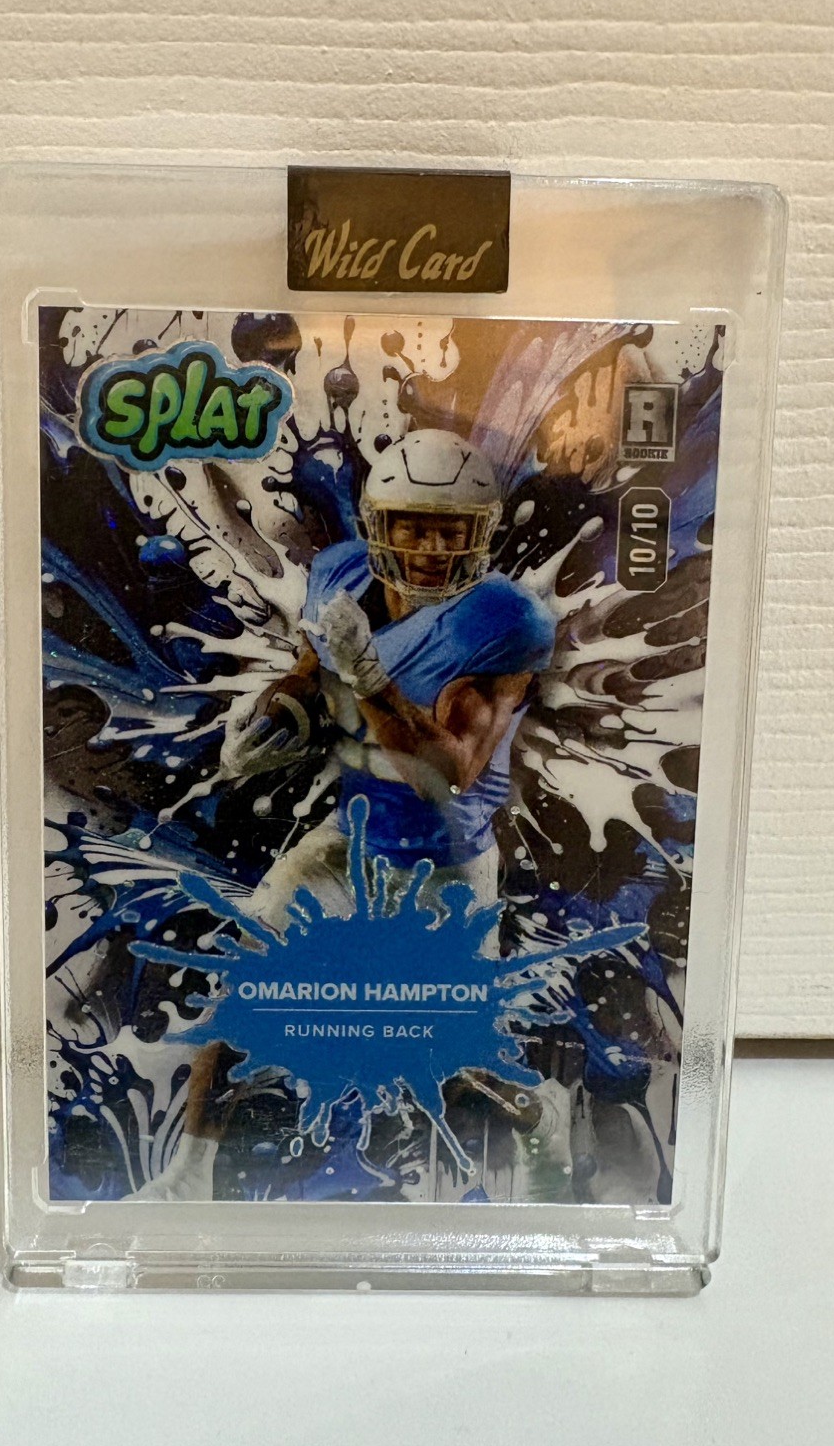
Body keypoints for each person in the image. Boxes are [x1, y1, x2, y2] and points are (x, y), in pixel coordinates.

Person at [138, 430, 558, 1199]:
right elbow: (310, 671)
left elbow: (449, 772)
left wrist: (368, 678)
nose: (430, 549)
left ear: (481, 534)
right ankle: (186, 1177)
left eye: (450, 530)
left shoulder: (502, 618)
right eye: (412, 527)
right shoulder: (341, 574)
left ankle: (537, 1122)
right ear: (376, 526)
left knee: (446, 1058)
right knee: (244, 979)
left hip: (446, 864)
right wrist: (272, 720)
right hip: (349, 841)